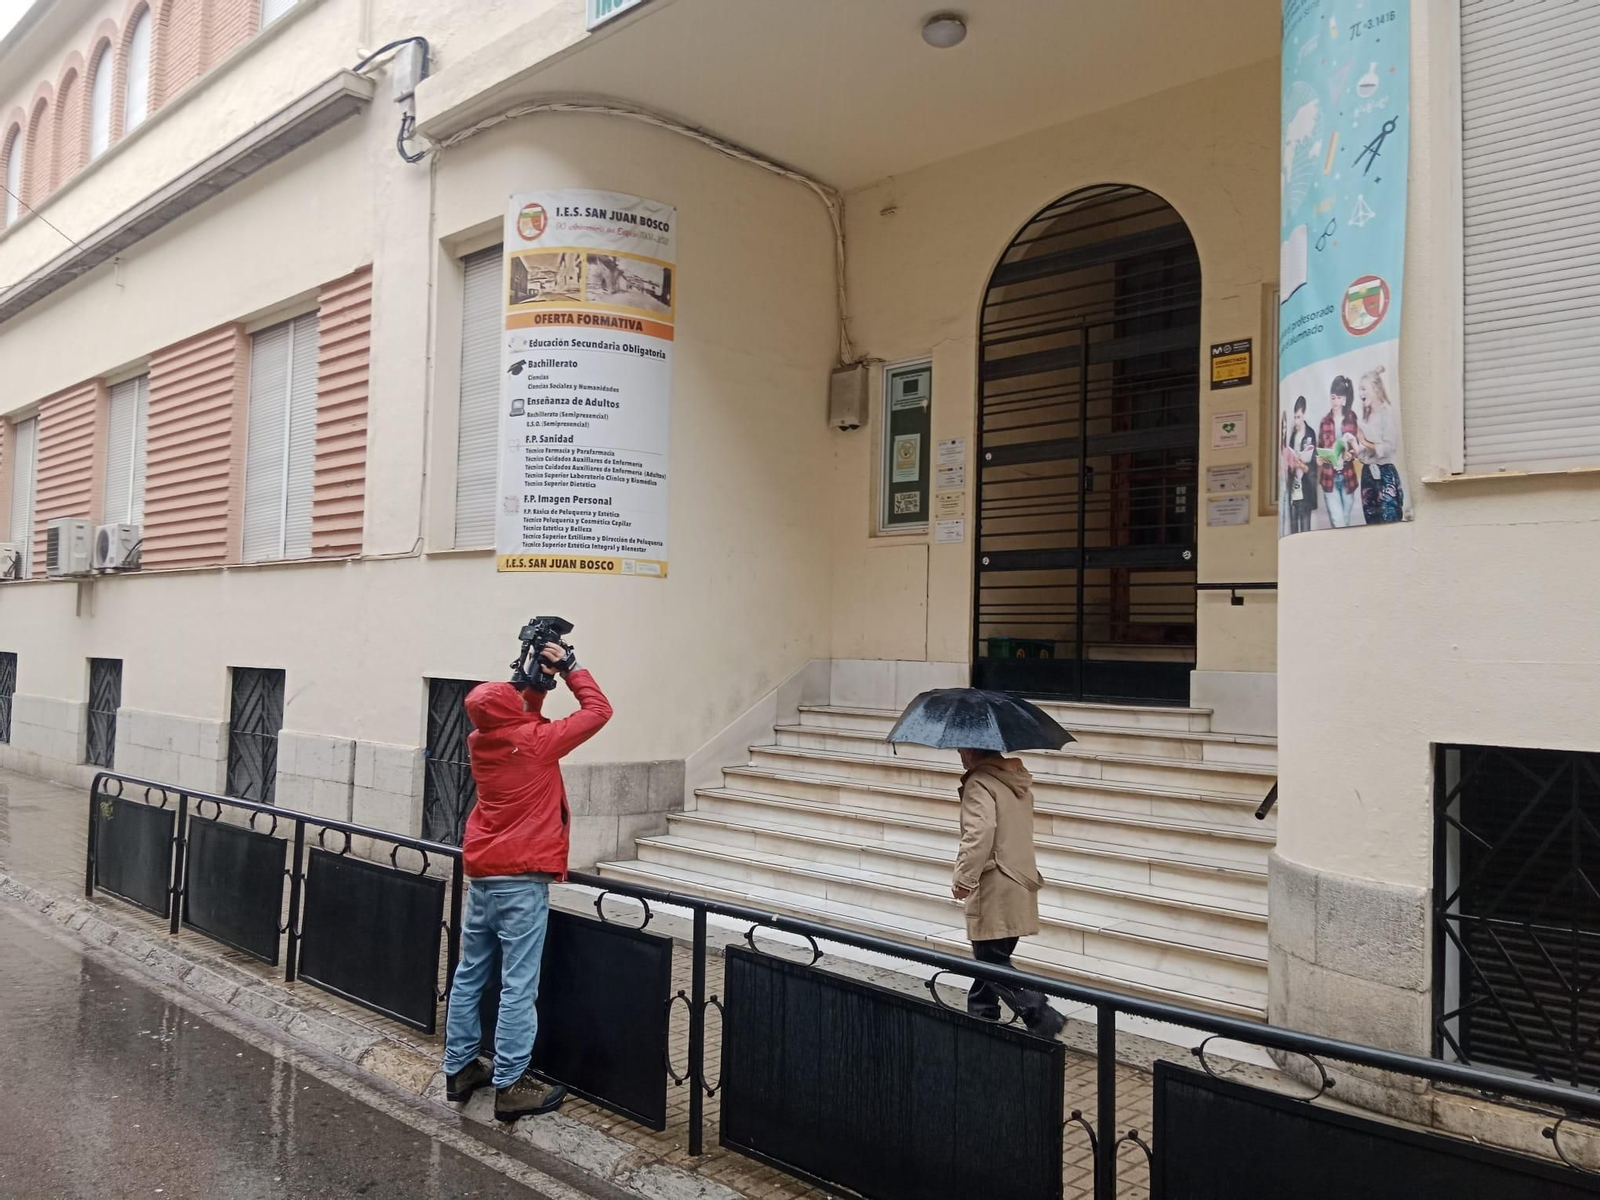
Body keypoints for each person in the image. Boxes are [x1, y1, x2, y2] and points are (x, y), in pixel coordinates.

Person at [441, 639, 613, 1122]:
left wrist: (532, 678)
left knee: (471, 971)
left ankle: (459, 1069)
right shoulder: (537, 742)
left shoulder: (483, 739)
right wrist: (571, 668)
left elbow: (516, 715)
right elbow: (599, 711)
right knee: (519, 983)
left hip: (483, 874)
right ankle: (512, 1083)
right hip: (521, 876)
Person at [951, 747, 1065, 1037]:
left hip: (995, 886)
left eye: (961, 750)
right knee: (989, 961)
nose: (959, 755)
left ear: (971, 751)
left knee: (991, 962)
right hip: (1018, 882)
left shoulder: (980, 783)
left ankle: (1040, 1013)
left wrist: (964, 878)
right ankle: (981, 1019)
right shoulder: (1015, 780)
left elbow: (980, 832)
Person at [1353, 365, 1404, 524]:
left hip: (1384, 474)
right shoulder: (1366, 417)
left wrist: (1365, 442)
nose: (1360, 394)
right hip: (1368, 473)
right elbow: (1365, 452)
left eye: (1363, 389)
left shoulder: (1386, 413)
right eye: (1359, 390)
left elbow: (1389, 447)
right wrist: (1355, 449)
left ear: (1375, 388)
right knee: (1371, 522)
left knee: (1390, 521)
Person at [1318, 375, 1360, 528]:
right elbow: (1319, 450)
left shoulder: (1351, 417)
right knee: (1338, 523)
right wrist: (1321, 458)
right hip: (1330, 478)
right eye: (1332, 397)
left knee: (1346, 521)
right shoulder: (1324, 421)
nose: (1335, 401)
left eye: (1339, 398)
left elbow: (1356, 447)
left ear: (1345, 399)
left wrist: (1350, 455)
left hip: (1348, 477)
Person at [1286, 396, 1319, 534]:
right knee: (1293, 530)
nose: (1296, 420)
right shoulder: (1293, 434)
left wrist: (1303, 466)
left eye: (1299, 417)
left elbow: (1313, 465)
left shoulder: (1310, 433)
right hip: (1294, 486)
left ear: (1304, 414)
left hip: (1305, 487)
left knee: (1305, 529)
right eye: (1295, 417)